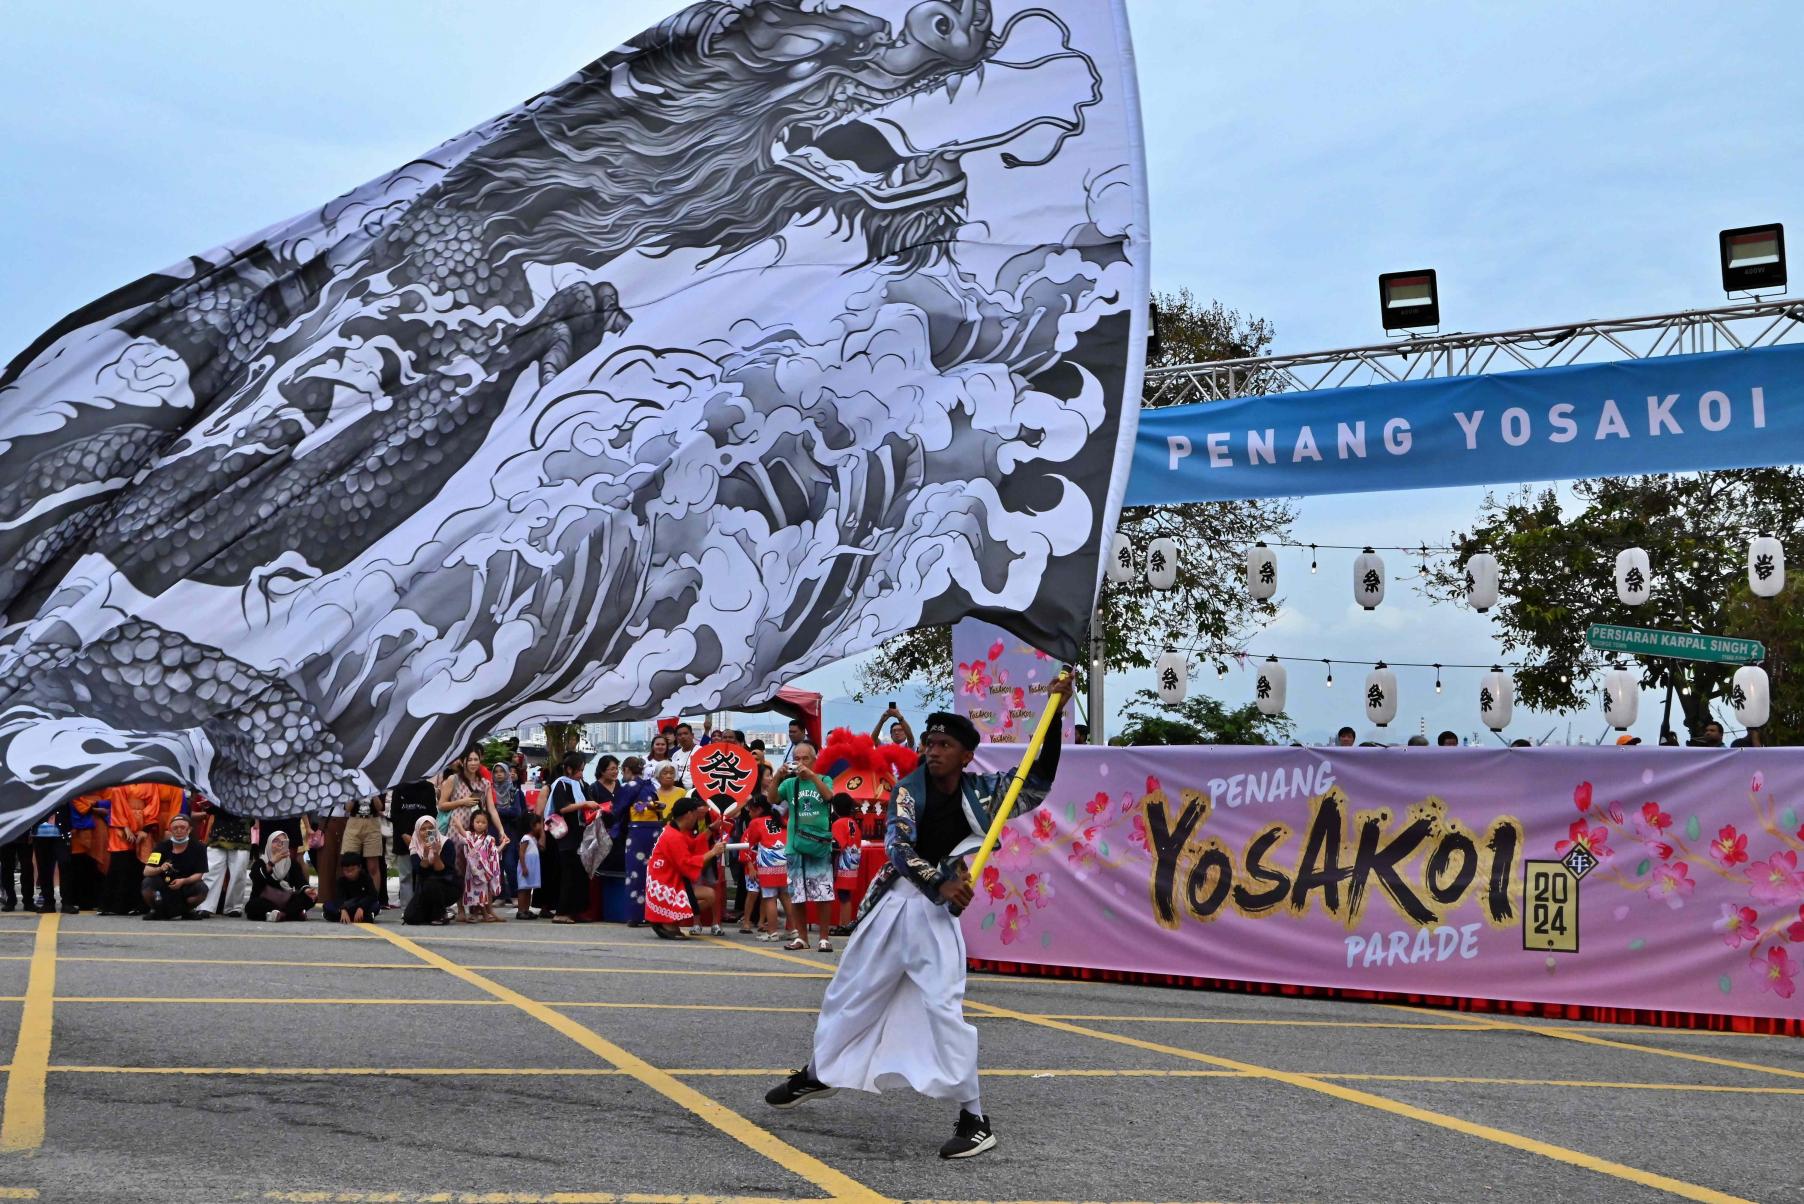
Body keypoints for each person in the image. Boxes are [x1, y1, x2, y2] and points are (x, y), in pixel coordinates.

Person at [766, 678, 1073, 1160]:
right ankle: (818, 1073)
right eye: (929, 744)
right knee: (849, 994)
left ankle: (974, 1119)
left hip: (932, 920)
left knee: (943, 1009)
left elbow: (1036, 781)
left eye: (945, 745)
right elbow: (898, 847)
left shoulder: (982, 794)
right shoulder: (908, 789)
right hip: (893, 904)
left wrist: (1055, 713)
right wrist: (942, 883)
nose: (933, 752)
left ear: (967, 755)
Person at [773, 742, 837, 952]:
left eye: (805, 759)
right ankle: (801, 937)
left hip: (818, 845)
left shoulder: (824, 779)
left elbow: (828, 797)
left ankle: (823, 937)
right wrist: (777, 777)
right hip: (795, 845)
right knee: (796, 894)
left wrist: (812, 776)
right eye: (797, 759)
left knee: (823, 893)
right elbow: (772, 799)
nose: (800, 763)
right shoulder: (790, 783)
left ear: (814, 760)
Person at [643, 797, 727, 939]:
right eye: (695, 813)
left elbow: (692, 845)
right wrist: (712, 852)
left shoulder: (672, 830)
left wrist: (711, 829)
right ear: (689, 814)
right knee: (709, 895)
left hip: (667, 880)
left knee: (709, 894)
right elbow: (686, 863)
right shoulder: (673, 836)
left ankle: (670, 921)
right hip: (667, 883)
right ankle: (667, 922)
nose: (697, 818)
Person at [546, 751, 593, 924]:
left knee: (580, 874)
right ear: (568, 769)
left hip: (580, 834)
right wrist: (584, 804)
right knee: (568, 874)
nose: (581, 773)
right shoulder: (561, 785)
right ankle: (561, 911)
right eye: (579, 770)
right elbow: (562, 808)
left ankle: (576, 910)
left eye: (582, 770)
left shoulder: (580, 785)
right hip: (566, 835)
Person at [140, 813, 209, 920]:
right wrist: (160, 868)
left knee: (202, 888)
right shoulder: (161, 846)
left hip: (185, 885)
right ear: (170, 830)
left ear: (189, 830)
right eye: (175, 828)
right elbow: (146, 871)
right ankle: (156, 909)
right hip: (164, 885)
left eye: (182, 827)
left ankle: (187, 910)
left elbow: (199, 874)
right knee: (147, 882)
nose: (179, 830)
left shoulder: (199, 847)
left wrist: (183, 881)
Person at [198, 800, 255, 918]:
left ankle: (234, 907)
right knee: (211, 870)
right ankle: (205, 906)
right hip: (219, 833)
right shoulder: (219, 784)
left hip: (241, 835)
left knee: (238, 873)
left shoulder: (250, 787)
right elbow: (210, 808)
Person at [404, 816, 461, 926]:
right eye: (423, 829)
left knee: (432, 883)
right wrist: (425, 856)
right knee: (410, 918)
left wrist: (435, 854)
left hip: (447, 885)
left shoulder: (446, 843)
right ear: (417, 831)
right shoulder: (415, 845)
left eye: (430, 828)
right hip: (424, 887)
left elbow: (444, 872)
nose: (427, 832)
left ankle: (441, 913)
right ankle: (433, 913)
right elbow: (419, 872)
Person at [246, 831, 316, 922]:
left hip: (286, 900)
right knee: (251, 906)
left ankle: (277, 914)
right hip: (265, 900)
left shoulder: (291, 863)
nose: (279, 844)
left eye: (283, 842)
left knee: (310, 897)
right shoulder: (260, 862)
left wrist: (307, 890)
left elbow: (300, 880)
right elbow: (257, 878)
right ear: (269, 843)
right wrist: (272, 862)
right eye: (276, 841)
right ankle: (293, 914)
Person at [456, 810, 506, 923]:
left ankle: (483, 914)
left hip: (484, 870)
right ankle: (480, 914)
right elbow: (464, 836)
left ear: (487, 824)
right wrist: (458, 825)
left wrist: (503, 844)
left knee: (483, 891)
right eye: (477, 821)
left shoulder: (490, 839)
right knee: (473, 891)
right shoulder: (469, 835)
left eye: (483, 822)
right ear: (472, 822)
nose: (480, 824)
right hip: (471, 870)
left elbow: (494, 852)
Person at [30, 800, 76, 914]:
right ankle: (48, 902)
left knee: (65, 865)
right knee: (44, 868)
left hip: (61, 833)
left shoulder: (64, 789)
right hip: (41, 834)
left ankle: (67, 903)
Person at [341, 792, 387, 904]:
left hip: (372, 822)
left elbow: (380, 807)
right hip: (354, 822)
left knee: (373, 867)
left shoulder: (378, 783)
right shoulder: (351, 782)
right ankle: (348, 899)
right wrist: (357, 790)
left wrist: (373, 791)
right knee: (348, 862)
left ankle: (374, 901)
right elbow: (347, 808)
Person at [831, 793, 862, 937]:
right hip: (853, 863)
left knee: (844, 896)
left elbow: (838, 845)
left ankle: (844, 925)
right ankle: (843, 924)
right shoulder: (852, 822)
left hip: (843, 863)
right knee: (846, 895)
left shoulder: (839, 823)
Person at [327, 857, 382, 924]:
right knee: (327, 905)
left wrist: (361, 907)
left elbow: (372, 895)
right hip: (348, 906)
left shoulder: (366, 878)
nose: (350, 873)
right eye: (346, 870)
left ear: (359, 867)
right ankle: (365, 917)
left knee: (376, 905)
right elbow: (339, 897)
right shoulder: (341, 881)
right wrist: (343, 909)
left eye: (352, 870)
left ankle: (338, 917)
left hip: (362, 905)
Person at [515, 814, 545, 920]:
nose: (540, 826)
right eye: (538, 824)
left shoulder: (533, 839)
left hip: (531, 868)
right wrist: (523, 867)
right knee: (523, 889)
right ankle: (520, 910)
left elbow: (541, 848)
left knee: (528, 889)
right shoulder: (526, 838)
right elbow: (521, 853)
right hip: (526, 867)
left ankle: (526, 910)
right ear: (532, 825)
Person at [0, 829, 34, 913]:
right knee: (6, 868)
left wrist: (32, 831)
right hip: (6, 833)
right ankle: (10, 900)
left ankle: (28, 901)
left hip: (24, 832)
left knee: (27, 868)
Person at [671, 723, 698, 788]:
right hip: (679, 792)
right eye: (679, 735)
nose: (683, 736)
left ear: (692, 735)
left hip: (696, 793)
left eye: (685, 733)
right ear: (676, 738)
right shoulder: (675, 755)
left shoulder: (702, 751)